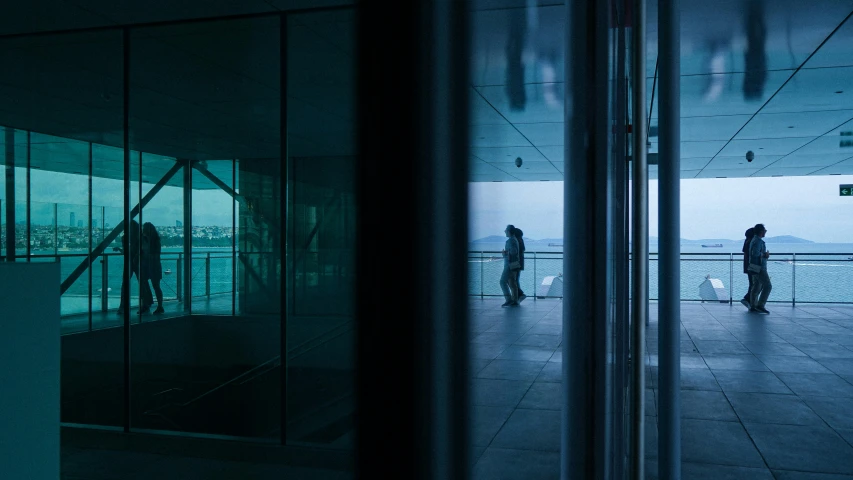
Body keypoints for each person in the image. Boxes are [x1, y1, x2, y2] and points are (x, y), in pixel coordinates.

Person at [117, 219, 142, 315]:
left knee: (125, 285)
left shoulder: (125, 238)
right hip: (137, 262)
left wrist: (120, 250)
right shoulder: (139, 238)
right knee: (142, 283)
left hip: (128, 263)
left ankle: (122, 306)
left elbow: (125, 252)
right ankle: (145, 304)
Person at [140, 222, 164, 315]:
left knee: (155, 286)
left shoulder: (154, 241)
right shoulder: (145, 240)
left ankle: (159, 305)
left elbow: (155, 254)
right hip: (149, 265)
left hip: (153, 265)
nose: (143, 230)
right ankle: (148, 304)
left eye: (144, 228)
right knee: (147, 285)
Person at [748, 223, 772, 314]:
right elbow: (755, 253)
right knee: (768, 286)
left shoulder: (755, 240)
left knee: (756, 286)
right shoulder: (758, 241)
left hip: (754, 266)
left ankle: (753, 306)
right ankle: (760, 305)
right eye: (765, 230)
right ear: (761, 231)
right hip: (759, 267)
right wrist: (765, 255)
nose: (765, 232)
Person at [500, 224, 521, 307]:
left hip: (509, 264)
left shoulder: (510, 241)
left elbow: (513, 252)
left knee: (502, 281)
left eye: (506, 230)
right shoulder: (514, 239)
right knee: (512, 282)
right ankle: (515, 300)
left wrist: (505, 253)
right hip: (515, 263)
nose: (504, 231)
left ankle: (508, 300)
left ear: (509, 231)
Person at [740, 227, 755, 309]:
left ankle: (750, 300)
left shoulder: (746, 242)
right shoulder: (751, 242)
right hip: (752, 266)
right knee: (754, 284)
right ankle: (748, 299)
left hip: (748, 266)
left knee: (752, 283)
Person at [514, 227, 527, 301]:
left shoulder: (516, 241)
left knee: (514, 279)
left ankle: (520, 294)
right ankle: (518, 295)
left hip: (516, 262)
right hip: (520, 263)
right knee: (516, 279)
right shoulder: (521, 240)